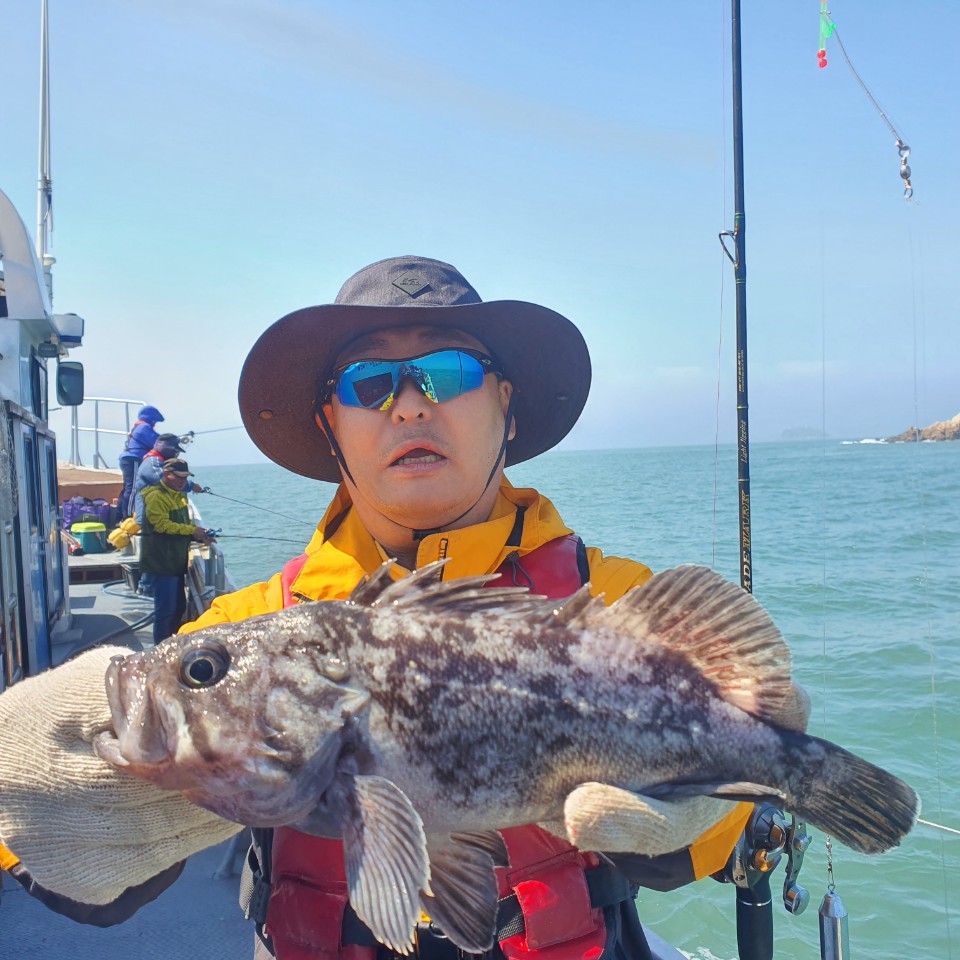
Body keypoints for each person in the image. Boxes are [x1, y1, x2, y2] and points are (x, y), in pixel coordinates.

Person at [0, 257, 810, 957]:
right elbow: (97, 881)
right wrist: (46, 816)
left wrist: (716, 799)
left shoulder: (618, 605)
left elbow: (716, 837)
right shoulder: (238, 632)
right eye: (371, 381)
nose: (411, 405)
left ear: (507, 406)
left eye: (449, 372)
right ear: (332, 425)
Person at [140, 458, 215, 644]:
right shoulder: (156, 496)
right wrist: (192, 531)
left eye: (185, 477)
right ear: (167, 474)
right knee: (165, 611)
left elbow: (183, 525)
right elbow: (161, 525)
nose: (183, 482)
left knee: (178, 607)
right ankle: (160, 649)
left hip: (175, 562)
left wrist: (199, 535)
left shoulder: (180, 495)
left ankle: (171, 646)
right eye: (180, 477)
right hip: (161, 563)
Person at [132, 435, 205, 597]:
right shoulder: (151, 463)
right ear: (160, 445)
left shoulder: (156, 462)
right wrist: (192, 485)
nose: (175, 455)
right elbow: (163, 481)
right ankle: (145, 592)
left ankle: (149, 590)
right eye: (174, 451)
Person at [117, 405, 164, 517]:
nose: (155, 424)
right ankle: (126, 517)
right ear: (151, 419)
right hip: (133, 460)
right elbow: (158, 442)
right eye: (155, 421)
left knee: (127, 489)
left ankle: (119, 515)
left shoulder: (138, 427)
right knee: (133, 489)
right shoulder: (144, 427)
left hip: (127, 459)